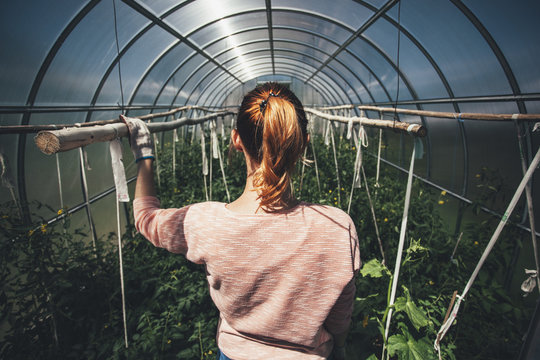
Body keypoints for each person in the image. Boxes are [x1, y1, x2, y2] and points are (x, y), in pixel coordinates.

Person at [123, 82, 361, 360]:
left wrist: (144, 154)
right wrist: (341, 347)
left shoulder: (205, 223)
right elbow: (340, 316)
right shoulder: (336, 226)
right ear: (303, 143)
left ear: (236, 140)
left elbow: (145, 218)